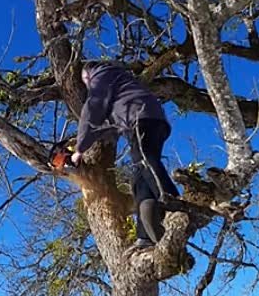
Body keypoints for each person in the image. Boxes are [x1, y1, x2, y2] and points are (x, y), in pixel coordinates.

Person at [71, 60, 180, 247]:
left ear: (88, 74)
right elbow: (106, 126)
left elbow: (93, 108)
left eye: (85, 82)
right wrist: (81, 143)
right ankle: (145, 235)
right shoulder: (120, 84)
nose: (88, 86)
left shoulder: (101, 73)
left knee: (145, 161)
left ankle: (176, 207)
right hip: (149, 120)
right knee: (139, 178)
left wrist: (79, 149)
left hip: (141, 119)